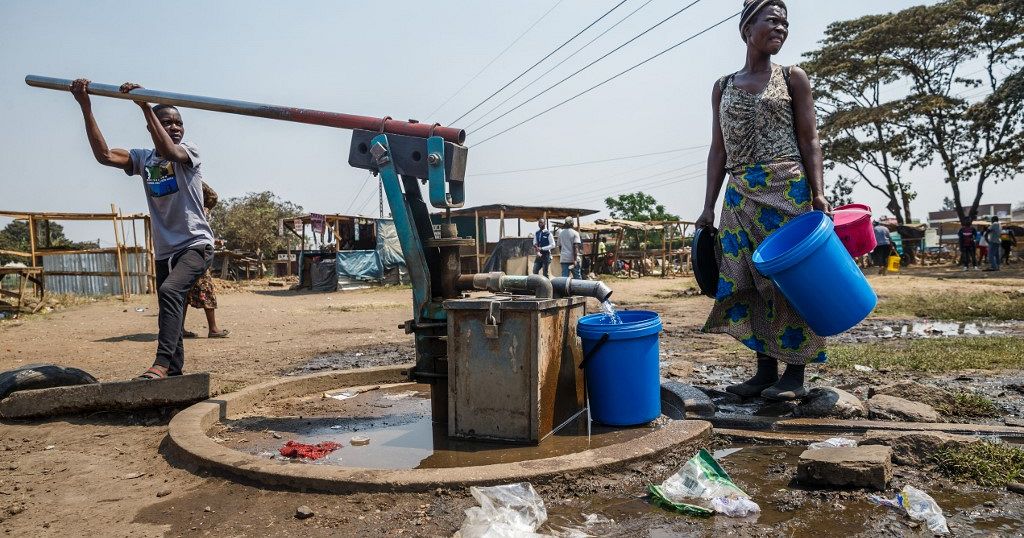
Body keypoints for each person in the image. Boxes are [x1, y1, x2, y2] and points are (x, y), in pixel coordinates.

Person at [695, 0, 830, 401]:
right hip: (739, 196)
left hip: (787, 191)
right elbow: (718, 150)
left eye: (785, 23)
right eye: (772, 20)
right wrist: (707, 205)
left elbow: (810, 140)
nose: (781, 28)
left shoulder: (793, 78)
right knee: (747, 280)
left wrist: (819, 193)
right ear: (746, 27)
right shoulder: (723, 86)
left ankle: (796, 373)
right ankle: (764, 372)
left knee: (791, 282)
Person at [71, 79, 214, 379]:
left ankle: (161, 363)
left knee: (170, 290)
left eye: (178, 123)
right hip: (165, 250)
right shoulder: (143, 158)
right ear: (152, 128)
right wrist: (85, 106)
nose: (174, 127)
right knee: (169, 305)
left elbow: (171, 152)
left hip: (196, 244)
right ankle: (173, 369)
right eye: (167, 123)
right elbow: (105, 155)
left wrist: (145, 106)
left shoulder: (189, 152)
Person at [183, 182, 229, 339]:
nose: (208, 210)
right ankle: (213, 329)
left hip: (181, 253)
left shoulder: (182, 207)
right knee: (206, 288)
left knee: (183, 292)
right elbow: (213, 195)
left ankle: (179, 329)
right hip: (196, 254)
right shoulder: (196, 211)